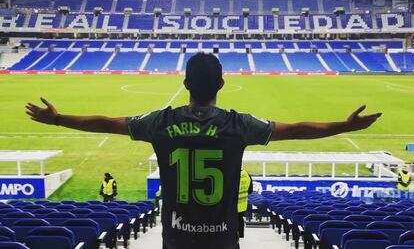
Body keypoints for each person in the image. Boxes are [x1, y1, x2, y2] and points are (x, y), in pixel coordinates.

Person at [25, 52, 381, 249]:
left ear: (184, 84)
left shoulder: (159, 122)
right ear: (222, 84)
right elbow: (297, 130)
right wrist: (345, 126)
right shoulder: (239, 124)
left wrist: (58, 120)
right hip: (223, 238)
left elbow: (106, 122)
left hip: (176, 237)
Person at [237, 169, 253, 238]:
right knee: (240, 218)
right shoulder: (246, 174)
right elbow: (250, 190)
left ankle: (233, 234)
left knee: (233, 219)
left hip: (232, 203)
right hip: (243, 203)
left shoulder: (232, 174)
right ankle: (241, 234)